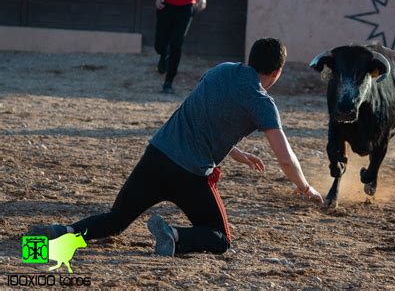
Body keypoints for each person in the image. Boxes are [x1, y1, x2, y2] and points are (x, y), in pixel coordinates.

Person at [28, 38, 323, 256]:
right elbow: (285, 159)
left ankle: (52, 237)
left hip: (156, 156)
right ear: (278, 72)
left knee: (116, 221)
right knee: (220, 238)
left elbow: (202, 112)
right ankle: (173, 235)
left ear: (249, 58)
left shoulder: (221, 70)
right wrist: (305, 187)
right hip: (190, 176)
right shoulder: (262, 102)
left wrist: (235, 151)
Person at [151, 0, 215, 93]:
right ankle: (163, 54)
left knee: (176, 43)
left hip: (186, 6)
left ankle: (168, 82)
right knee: (159, 46)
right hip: (165, 5)